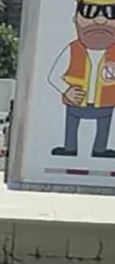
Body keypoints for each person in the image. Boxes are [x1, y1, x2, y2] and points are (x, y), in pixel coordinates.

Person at [47, 0, 115, 158]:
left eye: (111, 13)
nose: (100, 20)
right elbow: (53, 76)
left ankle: (100, 150)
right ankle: (70, 148)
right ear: (75, 19)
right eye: (89, 11)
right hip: (76, 101)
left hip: (105, 103)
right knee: (72, 125)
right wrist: (66, 90)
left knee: (103, 127)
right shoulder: (72, 50)